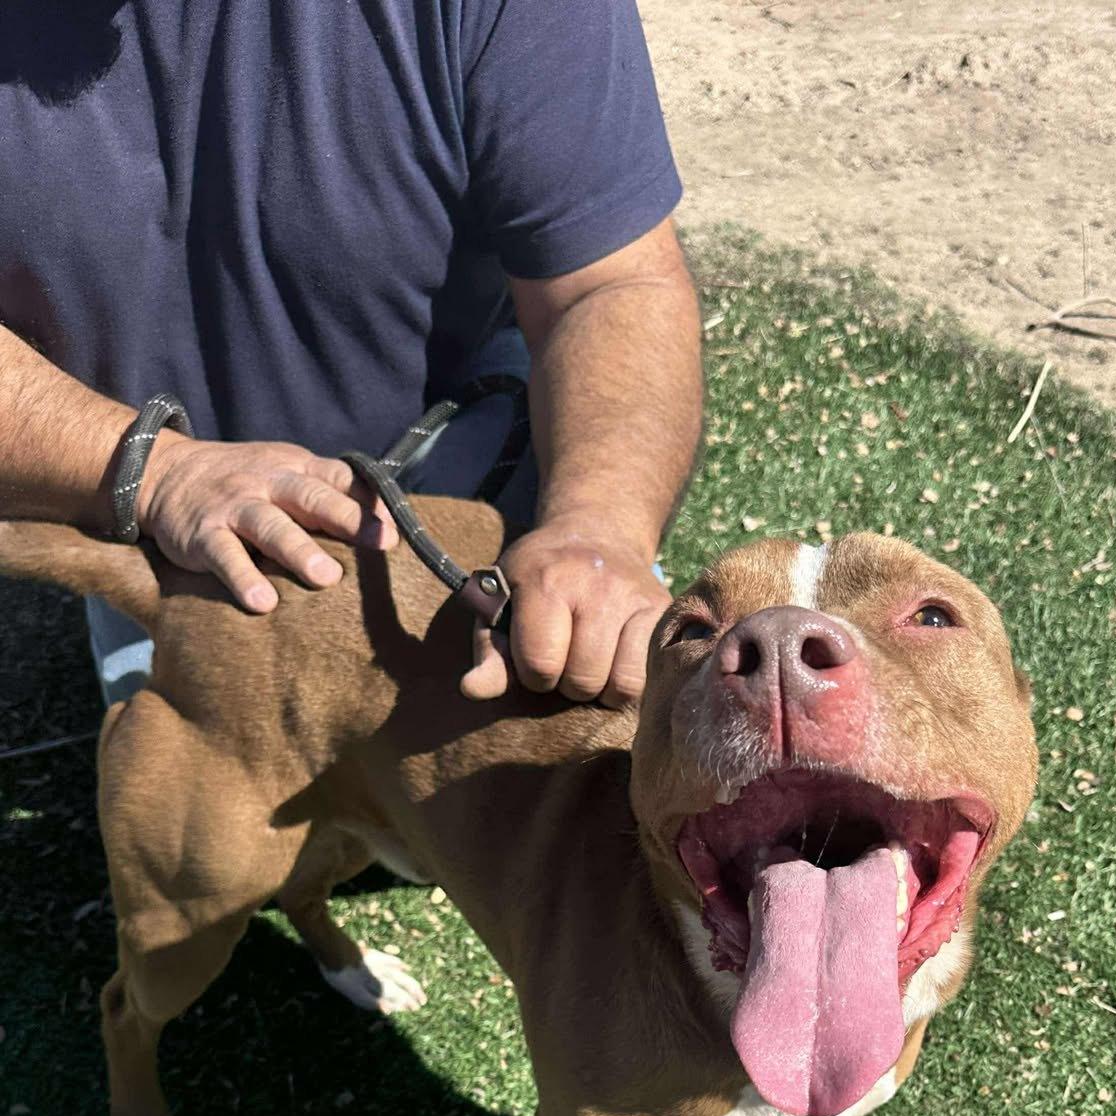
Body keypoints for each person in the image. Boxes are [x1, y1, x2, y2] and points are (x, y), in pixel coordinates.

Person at [0, 2, 702, 707]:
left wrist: (596, 526)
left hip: (465, 465)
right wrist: (155, 476)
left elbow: (610, 285)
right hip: (143, 502)